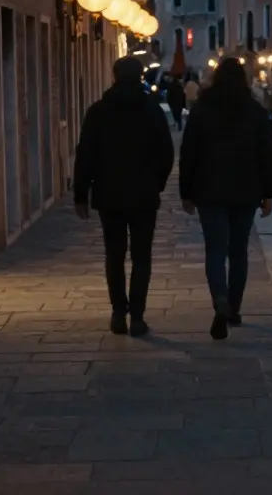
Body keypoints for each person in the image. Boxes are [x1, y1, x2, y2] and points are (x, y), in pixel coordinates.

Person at [73, 56, 175, 337]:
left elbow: (86, 154)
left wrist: (81, 193)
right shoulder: (152, 111)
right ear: (141, 76)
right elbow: (166, 152)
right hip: (144, 195)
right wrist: (158, 182)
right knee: (142, 256)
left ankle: (119, 312)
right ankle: (138, 316)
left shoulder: (98, 112)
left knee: (114, 254)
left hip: (109, 195)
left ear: (114, 75)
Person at [179, 57, 272, 341]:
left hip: (209, 191)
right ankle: (233, 309)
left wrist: (186, 191)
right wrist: (269, 193)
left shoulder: (202, 110)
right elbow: (266, 156)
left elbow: (189, 153)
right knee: (238, 251)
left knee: (215, 250)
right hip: (246, 192)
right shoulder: (256, 112)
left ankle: (220, 300)